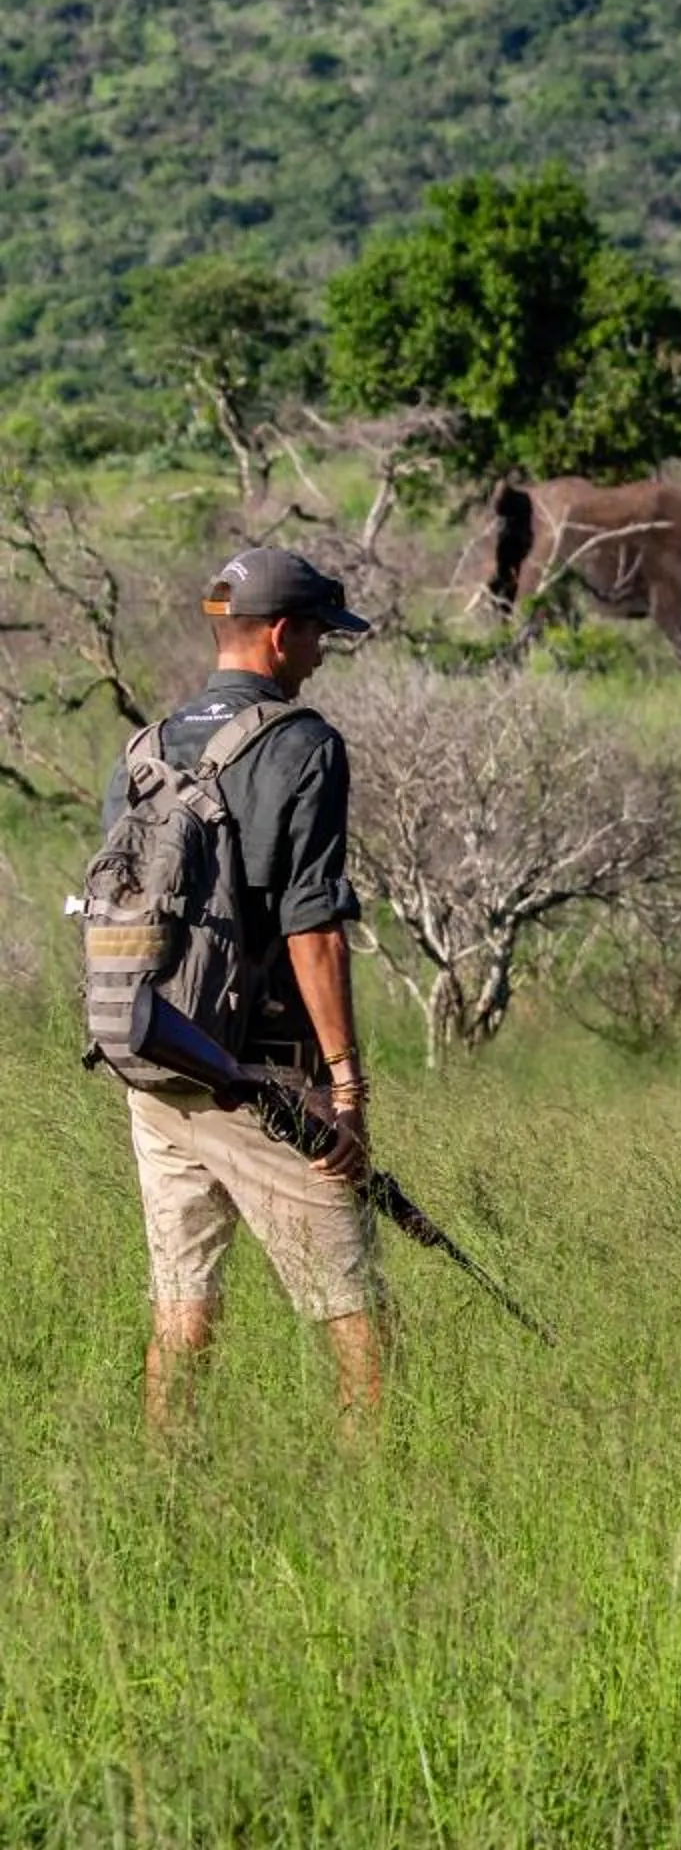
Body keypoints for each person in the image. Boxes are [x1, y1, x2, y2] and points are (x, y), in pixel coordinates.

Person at [106, 547, 379, 1437]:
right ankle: (379, 1512)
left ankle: (160, 1497)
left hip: (153, 1064)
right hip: (260, 1073)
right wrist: (343, 1086)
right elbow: (313, 928)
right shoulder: (307, 746)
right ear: (278, 633)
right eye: (317, 635)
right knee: (358, 1319)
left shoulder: (143, 749)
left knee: (184, 1314)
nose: (322, 652)